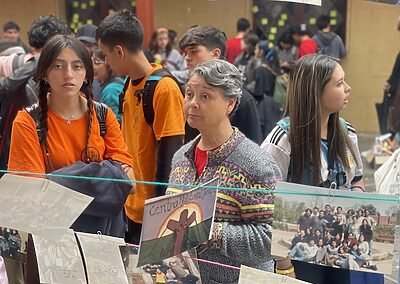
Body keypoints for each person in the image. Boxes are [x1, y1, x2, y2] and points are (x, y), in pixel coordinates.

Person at [167, 59, 281, 283]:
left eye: (205, 96)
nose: (193, 103)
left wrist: (207, 231)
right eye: (189, 94)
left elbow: (270, 240)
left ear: (231, 104)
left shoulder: (256, 164)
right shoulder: (181, 157)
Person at [97, 10, 185, 245]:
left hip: (153, 215)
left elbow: (171, 158)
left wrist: (161, 217)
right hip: (128, 206)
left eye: (106, 55)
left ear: (119, 51)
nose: (106, 62)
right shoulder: (128, 84)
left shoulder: (164, 88)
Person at [261, 54, 364, 190]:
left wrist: (357, 193)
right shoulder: (283, 139)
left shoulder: (346, 131)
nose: (347, 88)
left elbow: (357, 180)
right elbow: (263, 192)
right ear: (315, 91)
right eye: (339, 83)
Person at [179, 25, 262, 144]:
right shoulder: (184, 92)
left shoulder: (242, 99)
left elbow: (254, 150)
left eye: (193, 51)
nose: (187, 58)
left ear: (215, 54)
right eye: (185, 53)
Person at [91, 47, 124, 122]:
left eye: (97, 63)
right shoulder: (118, 81)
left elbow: (114, 122)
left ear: (108, 64)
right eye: (92, 62)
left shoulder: (110, 91)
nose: (93, 67)